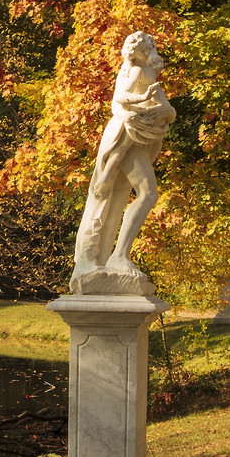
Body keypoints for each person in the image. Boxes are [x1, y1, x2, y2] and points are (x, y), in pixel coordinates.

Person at [72, 31, 176, 284]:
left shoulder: (138, 72)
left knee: (144, 195)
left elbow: (165, 110)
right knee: (148, 194)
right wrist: (144, 101)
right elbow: (120, 103)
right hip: (127, 139)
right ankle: (118, 256)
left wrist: (163, 110)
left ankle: (117, 255)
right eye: (147, 49)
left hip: (135, 141)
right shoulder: (139, 72)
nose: (151, 52)